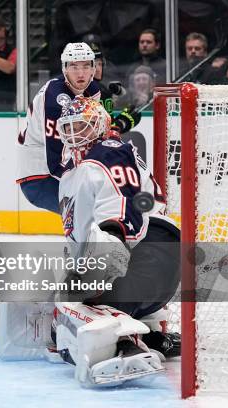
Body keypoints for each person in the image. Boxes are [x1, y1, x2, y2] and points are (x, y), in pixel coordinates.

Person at [50, 96, 181, 386]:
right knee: (71, 300)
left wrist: (106, 252)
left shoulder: (108, 151)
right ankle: (156, 336)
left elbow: (120, 208)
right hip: (154, 266)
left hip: (146, 250)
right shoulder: (75, 170)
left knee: (73, 307)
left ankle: (125, 344)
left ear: (98, 125)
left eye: (81, 126)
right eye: (68, 128)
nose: (73, 135)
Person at [16, 42, 140, 214]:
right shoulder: (54, 99)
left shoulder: (93, 90)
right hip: (40, 178)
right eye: (74, 67)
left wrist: (117, 125)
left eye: (86, 66)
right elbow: (56, 162)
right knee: (94, 211)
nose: (80, 73)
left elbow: (90, 133)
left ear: (93, 68)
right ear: (64, 69)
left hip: (65, 169)